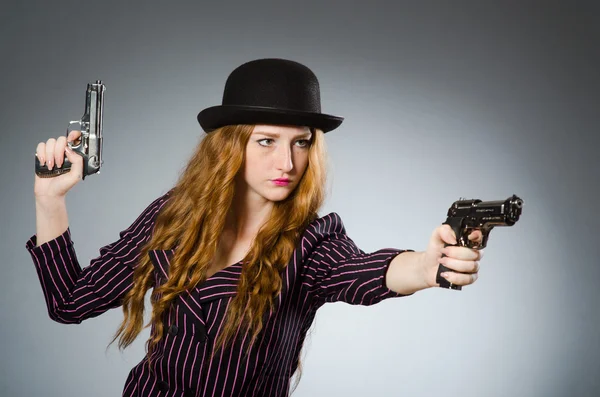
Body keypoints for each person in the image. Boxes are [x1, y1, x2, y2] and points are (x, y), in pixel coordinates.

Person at [27, 58, 483, 397]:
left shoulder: (312, 243)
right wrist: (50, 198)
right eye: (266, 141)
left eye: (300, 143)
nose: (286, 162)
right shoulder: (174, 216)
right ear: (230, 145)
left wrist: (426, 267)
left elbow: (363, 273)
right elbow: (70, 301)